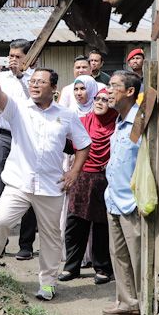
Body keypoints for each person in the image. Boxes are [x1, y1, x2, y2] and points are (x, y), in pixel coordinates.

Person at [0, 56, 91, 301]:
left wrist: (74, 172)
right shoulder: (19, 108)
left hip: (51, 186)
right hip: (19, 182)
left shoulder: (66, 115)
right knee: (0, 222)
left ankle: (47, 283)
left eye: (41, 82)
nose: (35, 85)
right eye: (33, 81)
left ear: (54, 88)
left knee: (50, 237)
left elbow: (83, 145)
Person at [0, 39, 39, 260]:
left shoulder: (36, 78)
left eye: (18, 56)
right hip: (4, 136)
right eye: (11, 56)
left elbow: (36, 103)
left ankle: (26, 243)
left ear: (28, 58)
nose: (13, 60)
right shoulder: (0, 78)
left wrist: (22, 78)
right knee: (0, 185)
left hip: (29, 137)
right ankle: (1, 242)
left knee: (29, 187)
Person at [59, 88, 116, 283]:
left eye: (105, 100)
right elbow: (68, 144)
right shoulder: (82, 122)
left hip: (104, 180)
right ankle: (71, 267)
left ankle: (103, 268)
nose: (99, 102)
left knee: (101, 225)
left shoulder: (117, 125)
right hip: (81, 176)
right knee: (75, 223)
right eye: (97, 99)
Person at [102, 70, 144, 315]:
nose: (107, 90)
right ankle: (127, 303)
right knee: (119, 256)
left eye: (113, 86)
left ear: (129, 91)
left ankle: (145, 306)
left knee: (137, 258)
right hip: (114, 200)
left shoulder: (139, 123)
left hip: (132, 203)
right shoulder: (118, 122)